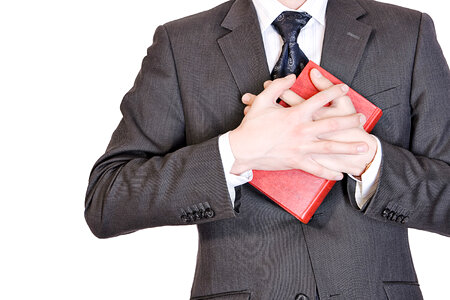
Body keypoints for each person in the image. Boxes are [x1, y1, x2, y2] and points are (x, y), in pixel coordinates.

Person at [84, 0, 449, 298]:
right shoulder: (181, 43)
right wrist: (234, 152)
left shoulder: (408, 32)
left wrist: (371, 160)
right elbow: (107, 201)